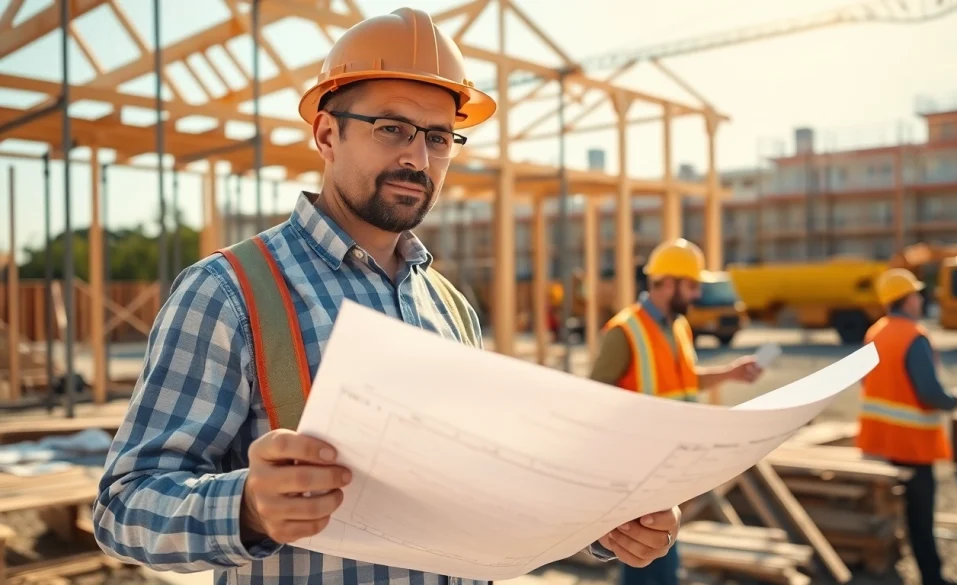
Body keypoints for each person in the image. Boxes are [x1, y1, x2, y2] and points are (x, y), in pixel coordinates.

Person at [91, 8, 683, 585]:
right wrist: (246, 506)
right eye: (392, 128)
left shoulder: (451, 308)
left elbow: (480, 488)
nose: (417, 158)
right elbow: (124, 506)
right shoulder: (229, 292)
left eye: (438, 137)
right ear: (327, 134)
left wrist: (603, 521)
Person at [589, 238, 764, 585]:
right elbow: (593, 401)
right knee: (643, 565)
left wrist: (730, 373)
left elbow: (683, 381)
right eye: (692, 285)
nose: (697, 294)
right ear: (667, 283)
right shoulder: (624, 332)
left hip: (670, 469)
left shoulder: (679, 327)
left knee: (663, 559)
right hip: (636, 475)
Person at [856, 267, 957, 585]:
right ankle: (932, 578)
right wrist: (954, 400)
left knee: (888, 512)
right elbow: (930, 392)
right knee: (920, 519)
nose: (920, 300)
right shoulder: (913, 337)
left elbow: (867, 381)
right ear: (907, 300)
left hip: (879, 441)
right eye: (917, 295)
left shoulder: (875, 332)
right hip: (912, 446)